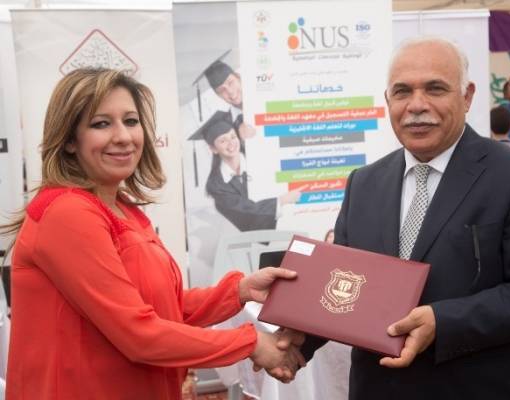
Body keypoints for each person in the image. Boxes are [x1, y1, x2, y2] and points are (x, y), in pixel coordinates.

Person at [273, 37, 510, 399]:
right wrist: (299, 342)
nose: (417, 105)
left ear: (467, 96)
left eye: (435, 88)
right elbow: (346, 288)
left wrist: (443, 322)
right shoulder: (363, 183)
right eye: (402, 91)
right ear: (388, 100)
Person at [0, 68, 304, 399]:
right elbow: (139, 334)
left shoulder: (123, 208)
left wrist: (240, 291)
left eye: (131, 121)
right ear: (70, 140)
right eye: (101, 124)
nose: (123, 136)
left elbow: (163, 307)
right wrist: (251, 342)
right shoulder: (67, 213)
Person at [190, 110, 303, 232]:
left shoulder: (256, 156)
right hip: (261, 237)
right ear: (213, 149)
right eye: (223, 141)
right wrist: (282, 200)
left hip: (294, 220)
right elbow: (247, 213)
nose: (231, 144)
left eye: (233, 137)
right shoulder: (216, 185)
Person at [204, 59, 256, 140]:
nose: (230, 92)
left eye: (231, 83)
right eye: (222, 90)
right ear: (218, 95)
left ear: (239, 78)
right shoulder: (227, 127)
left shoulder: (264, 97)